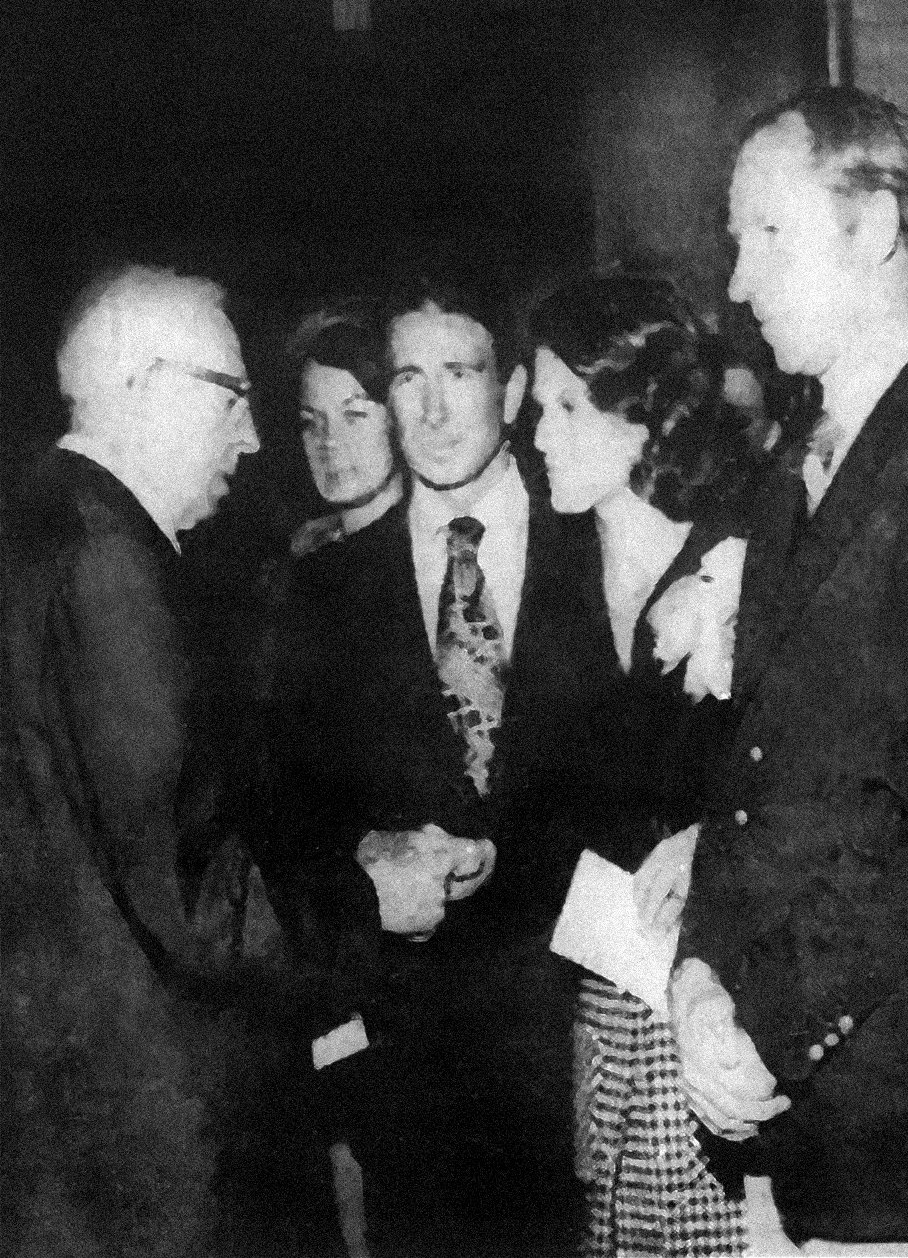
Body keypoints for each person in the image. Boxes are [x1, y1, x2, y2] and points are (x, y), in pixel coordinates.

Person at [669, 84, 908, 1249]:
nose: (740, 283)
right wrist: (701, 978)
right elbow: (754, 773)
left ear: (872, 229)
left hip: (887, 1108)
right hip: (774, 1092)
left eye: (768, 235)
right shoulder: (791, 464)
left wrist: (761, 1017)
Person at [265, 279, 581, 1256]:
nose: (434, 409)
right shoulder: (320, 595)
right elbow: (282, 821)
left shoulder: (597, 544)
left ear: (516, 388)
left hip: (588, 1058)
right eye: (409, 378)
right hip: (412, 1089)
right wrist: (367, 849)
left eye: (461, 372)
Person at [2, 265, 272, 1257]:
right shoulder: (110, 562)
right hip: (139, 1139)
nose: (252, 437)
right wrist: (370, 900)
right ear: (142, 383)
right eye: (234, 397)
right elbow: (188, 898)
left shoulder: (32, 522)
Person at [525, 274, 776, 1256]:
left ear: (645, 421)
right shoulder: (550, 581)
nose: (536, 433)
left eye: (565, 407)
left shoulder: (743, 556)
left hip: (718, 1009)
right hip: (601, 1004)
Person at [290, 303, 404, 555]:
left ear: (394, 420)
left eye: (353, 415)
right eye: (310, 422)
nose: (328, 440)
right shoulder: (312, 545)